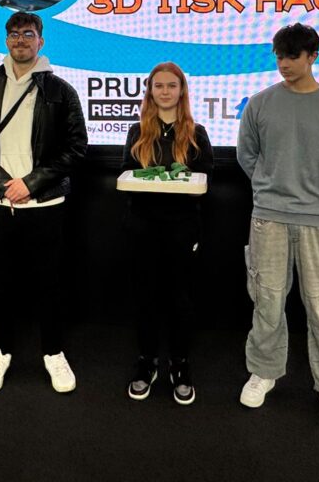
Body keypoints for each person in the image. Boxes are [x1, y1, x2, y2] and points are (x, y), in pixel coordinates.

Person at [236, 23, 319, 427]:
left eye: (292, 56)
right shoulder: (260, 104)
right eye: (279, 56)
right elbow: (247, 156)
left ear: (313, 56)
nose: (284, 64)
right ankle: (263, 372)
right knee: (267, 302)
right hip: (269, 219)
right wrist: (270, 190)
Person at [0, 11, 88, 395]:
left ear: (40, 41)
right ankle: (0, 352)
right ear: (6, 40)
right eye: (14, 34)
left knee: (49, 284)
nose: (20, 40)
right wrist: (4, 185)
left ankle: (53, 353)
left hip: (45, 204)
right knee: (1, 284)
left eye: (28, 34)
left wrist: (30, 184)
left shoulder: (61, 91)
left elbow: (75, 147)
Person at [121, 62, 213, 405]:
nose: (164, 91)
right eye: (158, 86)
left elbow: (206, 176)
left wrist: (180, 182)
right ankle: (147, 362)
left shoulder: (197, 132)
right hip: (142, 226)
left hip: (182, 227)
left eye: (171, 85)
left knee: (180, 299)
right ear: (150, 91)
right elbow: (126, 173)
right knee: (144, 297)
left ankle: (179, 363)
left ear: (181, 90)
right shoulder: (137, 132)